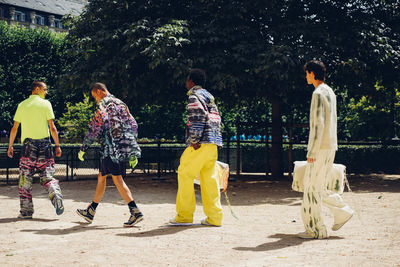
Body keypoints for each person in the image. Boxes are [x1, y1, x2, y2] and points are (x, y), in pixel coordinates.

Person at [298, 60, 354, 239]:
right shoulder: (330, 92)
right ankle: (341, 212)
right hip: (330, 146)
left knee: (311, 189)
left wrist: (311, 151)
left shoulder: (318, 94)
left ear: (312, 73)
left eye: (307, 73)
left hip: (320, 148)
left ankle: (315, 230)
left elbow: (317, 125)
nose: (306, 76)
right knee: (319, 187)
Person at [76, 82, 142, 227]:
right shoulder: (121, 103)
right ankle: (91, 210)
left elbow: (94, 127)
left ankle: (135, 211)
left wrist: (83, 148)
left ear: (99, 91)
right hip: (120, 148)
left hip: (111, 149)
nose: (96, 100)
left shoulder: (104, 105)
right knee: (102, 177)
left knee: (117, 180)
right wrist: (132, 149)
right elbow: (133, 125)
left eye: (95, 97)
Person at [170, 68, 223, 226]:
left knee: (185, 174)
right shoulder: (209, 96)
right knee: (210, 181)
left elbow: (197, 117)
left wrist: (194, 139)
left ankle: (184, 216)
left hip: (199, 143)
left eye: (187, 79)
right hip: (213, 142)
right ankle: (215, 218)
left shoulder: (194, 96)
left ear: (191, 81)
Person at [7, 81, 64, 219]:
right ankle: (55, 193)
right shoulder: (46, 104)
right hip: (45, 145)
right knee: (47, 177)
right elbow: (52, 127)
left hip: (28, 147)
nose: (46, 92)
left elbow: (15, 128)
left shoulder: (22, 105)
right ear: (37, 89)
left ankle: (26, 212)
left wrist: (10, 145)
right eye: (44, 89)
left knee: (25, 180)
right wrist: (57, 145)